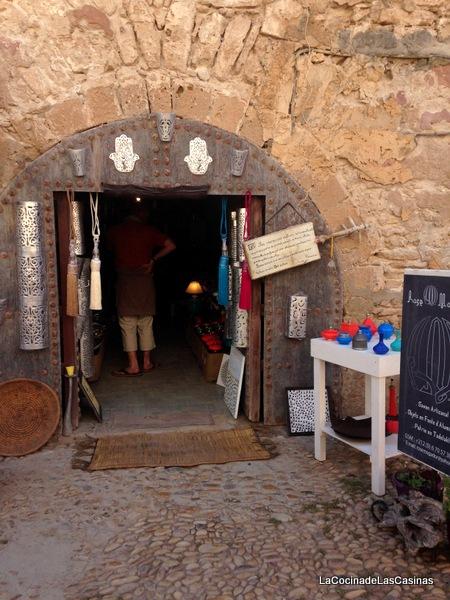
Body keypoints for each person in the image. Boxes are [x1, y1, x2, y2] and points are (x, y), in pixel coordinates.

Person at [108, 202, 176, 376]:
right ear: (141, 213)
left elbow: (106, 250)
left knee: (128, 323)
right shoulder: (149, 230)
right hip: (144, 280)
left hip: (125, 281)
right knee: (146, 322)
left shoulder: (115, 231)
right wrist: (153, 259)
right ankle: (146, 363)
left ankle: (133, 365)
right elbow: (171, 245)